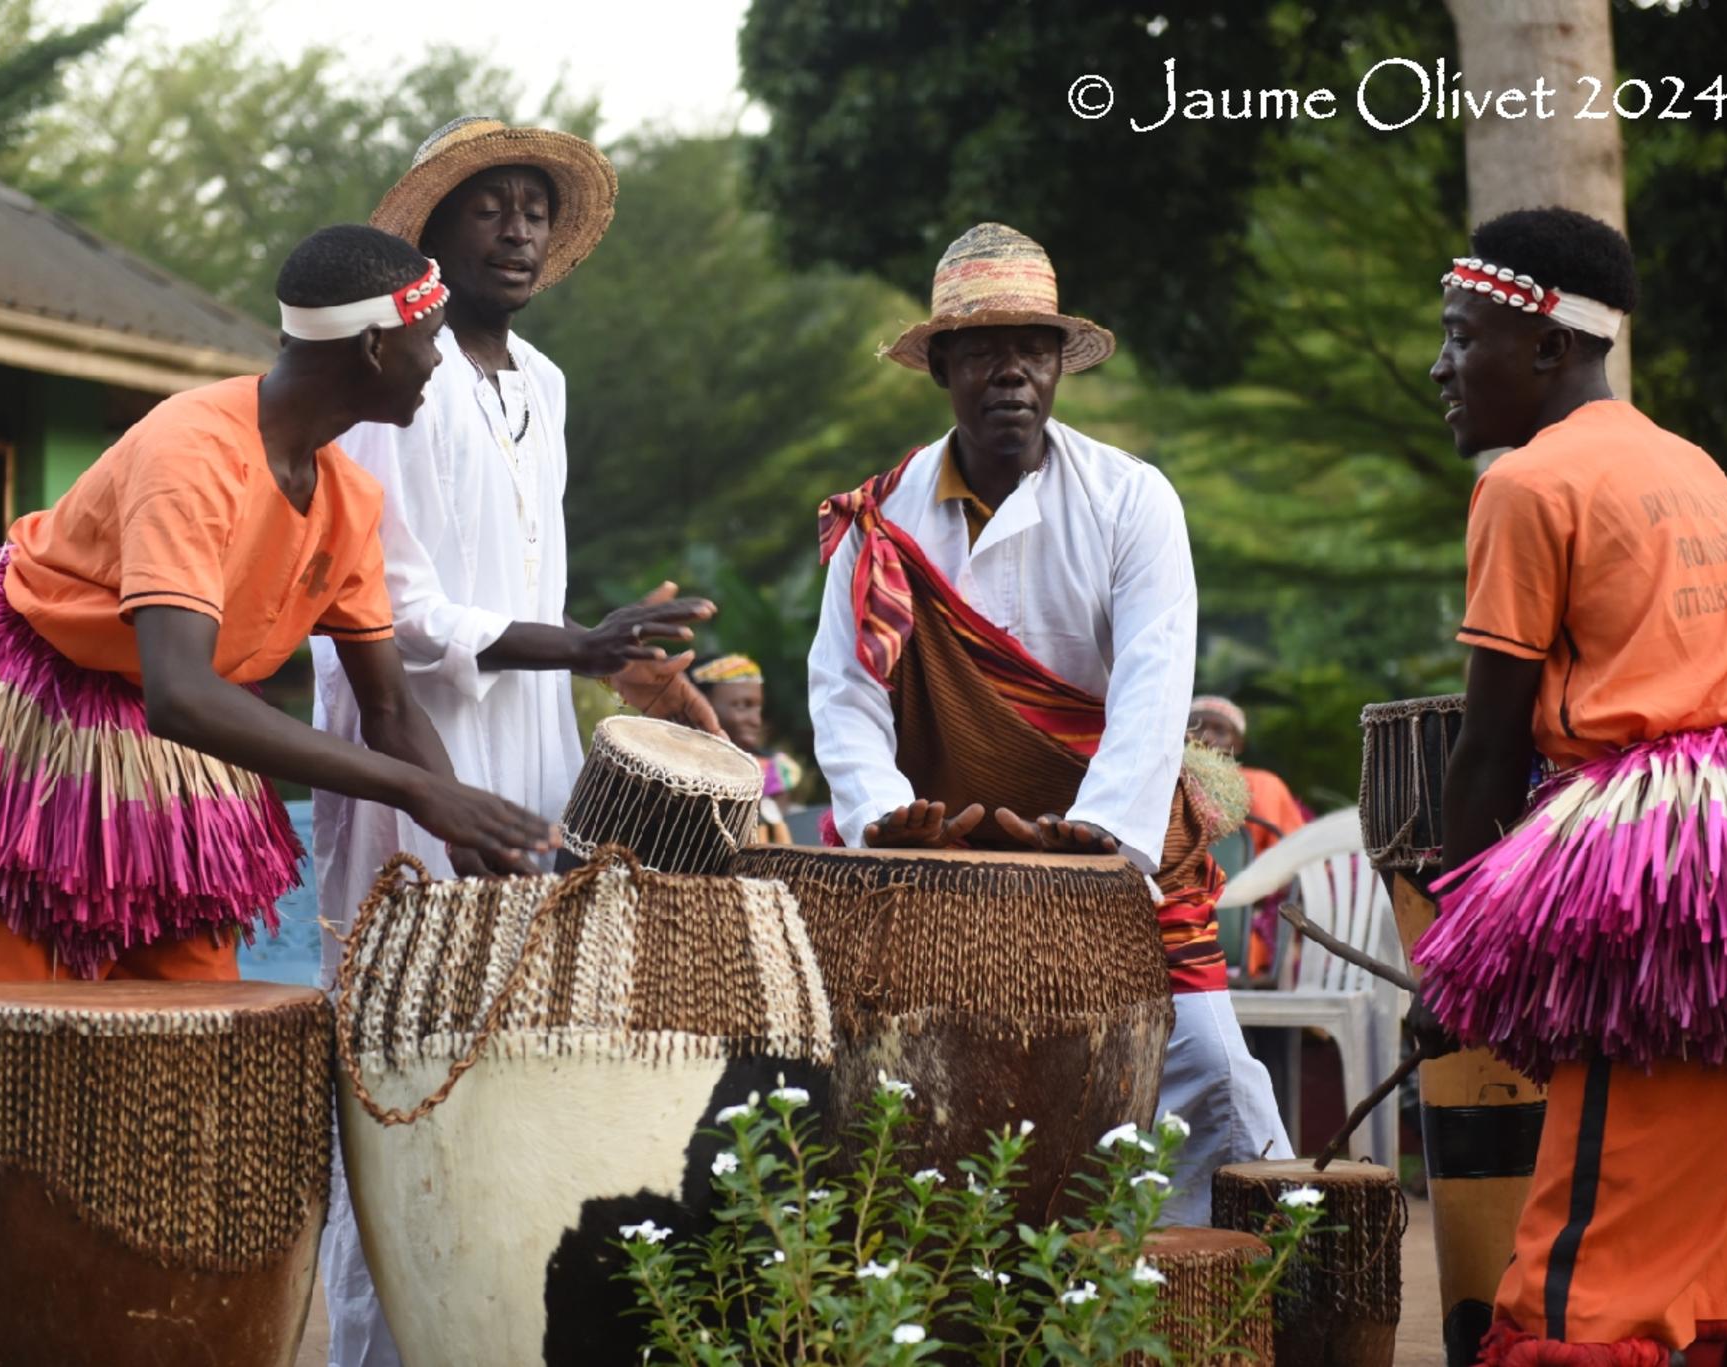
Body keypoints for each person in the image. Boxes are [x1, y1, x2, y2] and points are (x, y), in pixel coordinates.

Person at [0, 224, 555, 1266]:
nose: (439, 363)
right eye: (430, 340)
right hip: (29, 743)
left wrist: (465, 827)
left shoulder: (351, 496)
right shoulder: (194, 448)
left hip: (158, 772)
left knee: (191, 1058)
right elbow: (184, 692)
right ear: (373, 346)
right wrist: (421, 792)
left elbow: (389, 705)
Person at [309, 117, 721, 1367]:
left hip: (535, 758)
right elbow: (396, 610)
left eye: (536, 206)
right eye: (489, 204)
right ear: (429, 233)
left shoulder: (544, 382)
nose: (519, 227)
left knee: (518, 1074)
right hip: (409, 760)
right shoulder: (391, 375)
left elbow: (531, 581)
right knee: (400, 1079)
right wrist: (579, 643)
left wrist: (608, 658)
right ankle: (377, 1348)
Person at [808, 222, 1289, 1223]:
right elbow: (844, 695)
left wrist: (1101, 841)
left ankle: (1229, 1291)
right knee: (903, 1093)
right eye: (981, 349)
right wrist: (885, 818)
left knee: (1209, 1070)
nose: (1010, 373)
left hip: (1115, 856)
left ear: (1059, 363)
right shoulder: (878, 522)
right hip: (946, 854)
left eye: (1032, 348)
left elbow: (1156, 687)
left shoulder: (1132, 499)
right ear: (940, 365)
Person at [1411, 207, 1727, 1367]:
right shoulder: (1684, 462)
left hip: (1666, 900)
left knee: (1581, 1283)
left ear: (1545, 346)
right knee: (1712, 1265)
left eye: (1460, 334)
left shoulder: (1526, 486)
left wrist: (1455, 957)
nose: (1440, 366)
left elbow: (1488, 746)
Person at [1188, 694, 1308, 979]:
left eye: (1219, 730)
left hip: (1245, 932)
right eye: (1195, 726)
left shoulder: (1265, 786)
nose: (1206, 737)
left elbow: (1295, 865)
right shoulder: (1164, 781)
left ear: (1238, 744)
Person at [691, 653, 806, 844]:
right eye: (741, 706)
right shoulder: (682, 767)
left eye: (757, 708)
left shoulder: (773, 771)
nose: (756, 720)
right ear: (701, 705)